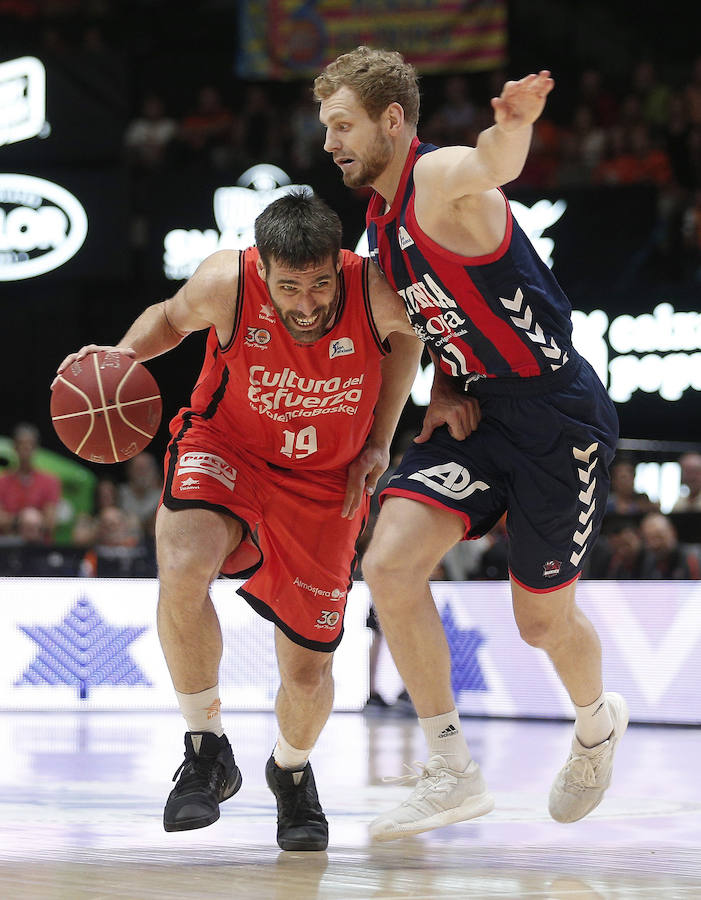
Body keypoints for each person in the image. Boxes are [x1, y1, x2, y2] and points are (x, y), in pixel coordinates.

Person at [315, 48, 627, 840]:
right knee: (387, 564)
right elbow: (424, 331)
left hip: (557, 418)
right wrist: (444, 385)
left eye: (343, 124)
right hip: (480, 414)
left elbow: (488, 165)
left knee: (541, 625)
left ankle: (595, 724)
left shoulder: (438, 178)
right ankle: (451, 770)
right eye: (325, 127)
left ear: (392, 120)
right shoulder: (376, 231)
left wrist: (512, 126)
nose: (330, 142)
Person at [52, 191, 421, 851]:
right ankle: (205, 747)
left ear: (337, 265)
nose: (306, 304)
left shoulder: (377, 291)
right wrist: (118, 360)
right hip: (228, 450)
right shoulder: (227, 281)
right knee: (184, 562)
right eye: (289, 287)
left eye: (318, 286)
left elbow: (411, 342)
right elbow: (168, 320)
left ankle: (290, 772)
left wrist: (380, 440)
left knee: (306, 673)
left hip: (323, 484)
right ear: (263, 268)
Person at [0, 423, 61, 542]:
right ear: (15, 447)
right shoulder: (2, 481)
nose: (26, 448)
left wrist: (14, 520)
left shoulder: (50, 481)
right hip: (8, 547)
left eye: (30, 444)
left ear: (36, 448)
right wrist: (23, 519)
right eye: (22, 444)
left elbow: (50, 523)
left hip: (40, 547)